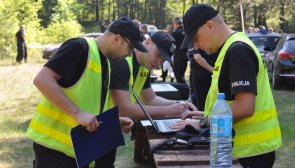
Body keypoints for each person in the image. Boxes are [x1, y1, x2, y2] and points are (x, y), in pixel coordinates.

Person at [26, 17, 147, 168]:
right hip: (54, 150)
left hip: (78, 150)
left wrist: (112, 123)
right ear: (117, 39)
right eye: (130, 48)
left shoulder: (106, 63)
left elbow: (88, 106)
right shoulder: (79, 47)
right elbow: (42, 79)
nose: (130, 55)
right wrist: (77, 113)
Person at [173, 4, 282, 167]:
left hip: (251, 152)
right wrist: (204, 115)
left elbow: (245, 107)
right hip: (245, 150)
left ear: (210, 26)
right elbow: (230, 101)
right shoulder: (233, 46)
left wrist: (203, 123)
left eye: (195, 39)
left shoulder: (237, 50)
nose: (195, 46)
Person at [107, 31, 197, 122]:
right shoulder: (122, 61)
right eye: (158, 55)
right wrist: (169, 110)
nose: (158, 63)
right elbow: (123, 110)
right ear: (148, 42)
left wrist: (179, 104)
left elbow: (150, 99)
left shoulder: (145, 66)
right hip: (102, 124)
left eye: (163, 60)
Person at [187, 44, 217, 111]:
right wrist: (212, 70)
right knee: (199, 103)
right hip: (201, 73)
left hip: (205, 74)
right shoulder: (193, 38)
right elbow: (197, 57)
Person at [171, 17, 188, 83]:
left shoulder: (176, 33)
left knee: (178, 76)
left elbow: (172, 45)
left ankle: (183, 91)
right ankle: (183, 90)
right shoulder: (186, 31)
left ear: (175, 23)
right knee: (182, 75)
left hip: (178, 56)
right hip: (185, 55)